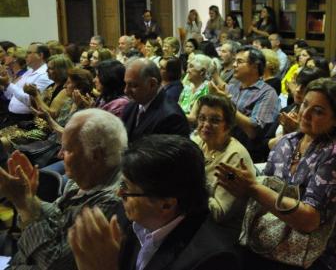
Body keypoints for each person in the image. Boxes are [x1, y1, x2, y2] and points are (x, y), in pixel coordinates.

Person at [217, 78, 336, 270]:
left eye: (318, 111)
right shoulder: (288, 142)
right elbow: (264, 190)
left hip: (315, 256)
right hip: (271, 240)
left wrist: (251, 187)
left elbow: (308, 220)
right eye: (305, 105)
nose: (305, 114)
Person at [68, 134, 241, 270]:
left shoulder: (213, 261)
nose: (119, 193)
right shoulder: (127, 215)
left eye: (126, 187)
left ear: (166, 205)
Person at [0, 108, 127, 269]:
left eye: (66, 149)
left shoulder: (112, 201)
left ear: (95, 155)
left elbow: (54, 263)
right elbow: (56, 217)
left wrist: (22, 203)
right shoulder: (84, 178)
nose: (59, 154)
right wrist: (28, 196)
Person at [191, 95, 255, 228]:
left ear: (228, 125)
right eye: (202, 118)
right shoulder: (197, 142)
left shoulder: (235, 158)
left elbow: (220, 213)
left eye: (214, 120)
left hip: (220, 231)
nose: (206, 125)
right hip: (195, 217)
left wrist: (186, 188)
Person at [210, 45, 279, 162]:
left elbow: (253, 131)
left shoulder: (267, 93)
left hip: (245, 154)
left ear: (255, 66)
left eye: (239, 61)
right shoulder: (232, 88)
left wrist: (227, 104)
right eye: (235, 61)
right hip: (222, 147)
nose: (234, 65)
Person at [122, 58, 190, 142]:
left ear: (152, 84)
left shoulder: (172, 118)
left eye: (133, 85)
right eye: (126, 84)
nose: (126, 90)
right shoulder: (131, 106)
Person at [267, 67, 329, 150]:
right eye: (297, 83)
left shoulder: (317, 119)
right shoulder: (287, 110)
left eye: (305, 86)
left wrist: (296, 132)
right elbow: (265, 143)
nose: (298, 89)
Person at [0, 43, 53, 126]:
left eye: (29, 53)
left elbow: (30, 100)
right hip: (13, 117)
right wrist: (6, 85)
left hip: (27, 119)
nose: (25, 56)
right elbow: (11, 96)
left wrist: (7, 83)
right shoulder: (29, 71)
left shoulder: (45, 75)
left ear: (40, 55)